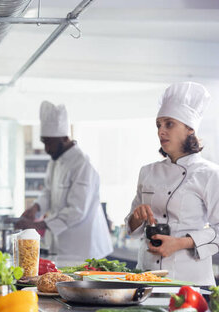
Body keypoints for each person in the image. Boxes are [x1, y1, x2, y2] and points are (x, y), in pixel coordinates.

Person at [125, 82, 219, 286]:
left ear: (189, 129)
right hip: (146, 277)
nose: (161, 132)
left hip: (190, 281)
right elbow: (130, 227)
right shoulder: (147, 171)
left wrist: (179, 243)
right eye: (158, 125)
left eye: (169, 124)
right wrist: (136, 217)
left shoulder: (210, 174)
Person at [14, 101, 113, 259]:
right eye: (44, 141)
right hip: (62, 246)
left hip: (84, 248)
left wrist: (38, 225)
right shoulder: (55, 160)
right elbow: (48, 191)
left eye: (48, 142)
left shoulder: (82, 165)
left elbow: (77, 211)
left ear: (64, 138)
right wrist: (36, 208)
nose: (46, 149)